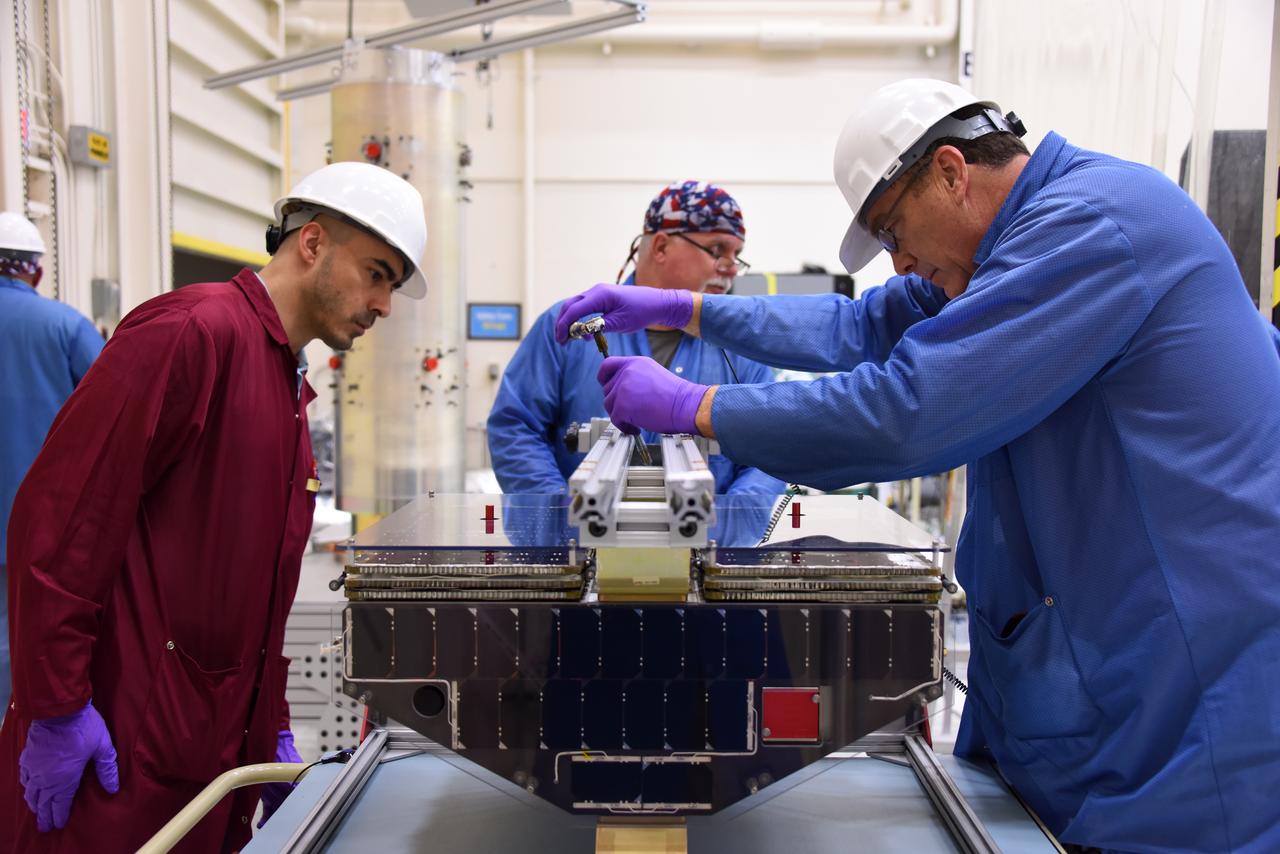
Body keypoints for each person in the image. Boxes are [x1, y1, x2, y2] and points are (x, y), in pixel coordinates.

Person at [555, 79, 1280, 851]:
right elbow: (857, 325)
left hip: (1180, 693)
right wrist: (683, 310)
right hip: (1075, 678)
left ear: (950, 172)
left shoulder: (1089, 229)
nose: (899, 264)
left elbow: (905, 415)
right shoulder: (1004, 247)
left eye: (895, 231)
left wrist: (695, 409)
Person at [0, 160, 428, 853]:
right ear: (312, 243)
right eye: (377, 273)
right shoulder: (191, 334)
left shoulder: (285, 385)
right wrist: (56, 708)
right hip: (115, 750)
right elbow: (59, 526)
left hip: (207, 758)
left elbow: (247, 597)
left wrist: (269, 725)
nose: (383, 304)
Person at [487, 181, 783, 497]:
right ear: (660, 247)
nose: (732, 268)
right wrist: (563, 519)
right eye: (717, 250)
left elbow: (768, 449)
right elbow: (516, 429)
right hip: (579, 541)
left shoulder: (740, 348)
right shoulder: (573, 327)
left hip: (709, 542)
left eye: (737, 255)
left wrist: (726, 525)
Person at [0, 214, 104, 724]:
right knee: (25, 637)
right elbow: (119, 414)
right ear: (35, 271)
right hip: (43, 527)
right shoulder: (66, 327)